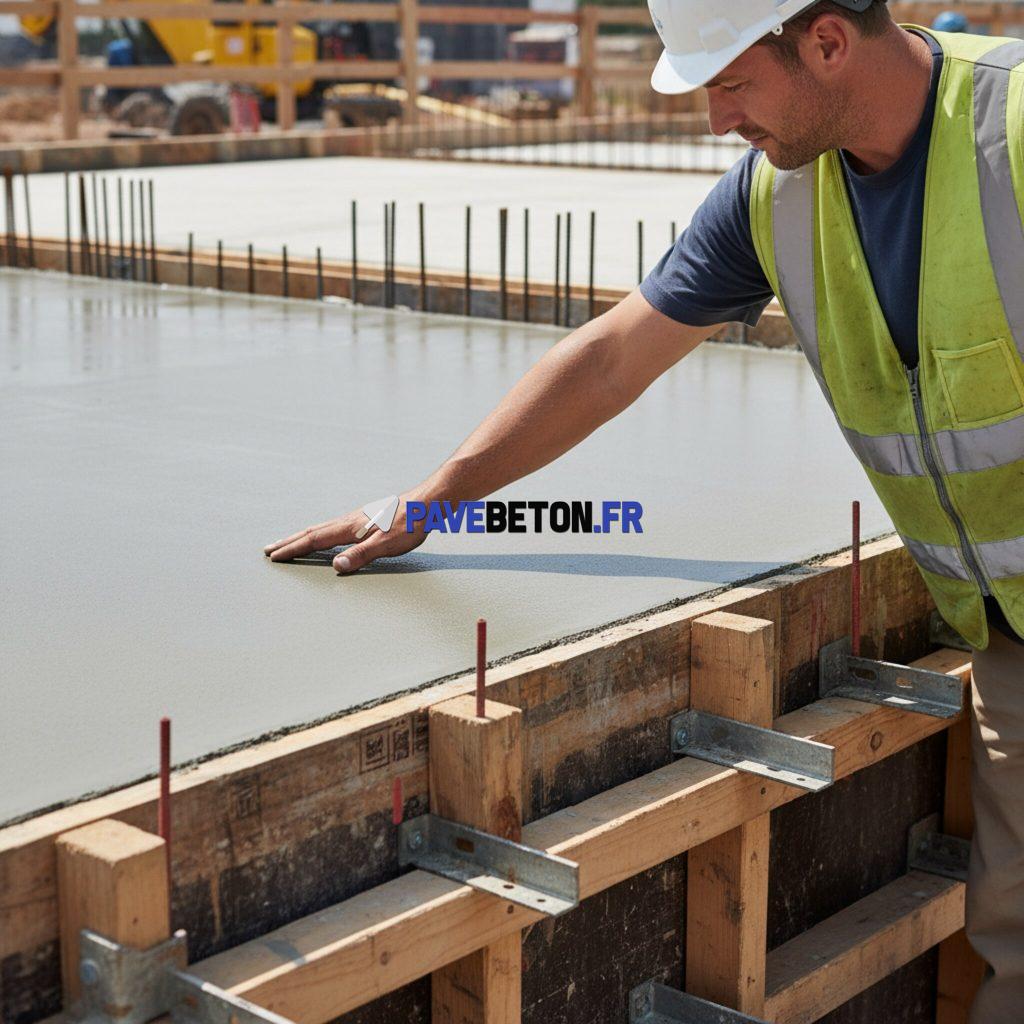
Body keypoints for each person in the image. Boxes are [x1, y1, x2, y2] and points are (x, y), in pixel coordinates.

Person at [265, 3, 1024, 1016]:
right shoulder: (777, 197)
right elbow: (613, 356)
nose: (717, 120)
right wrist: (437, 501)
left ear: (828, 42)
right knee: (1016, 941)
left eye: (731, 84)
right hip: (1009, 642)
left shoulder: (1010, 125)